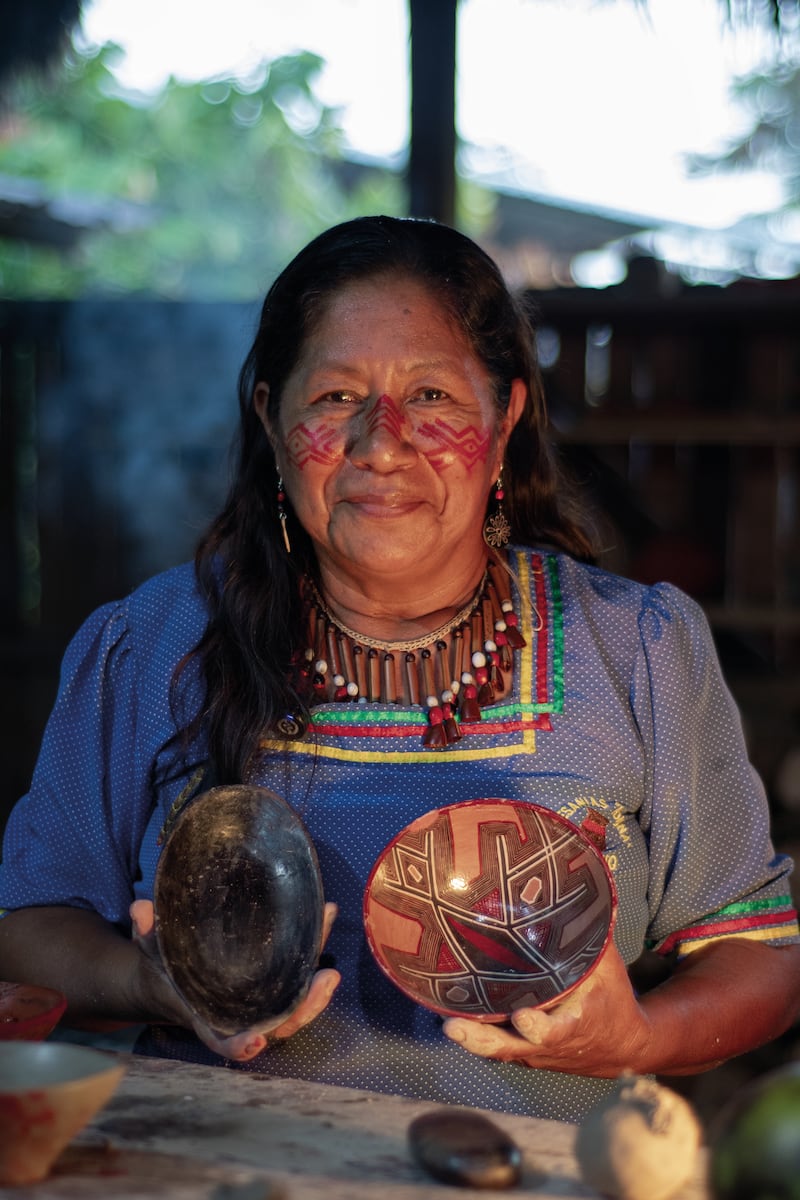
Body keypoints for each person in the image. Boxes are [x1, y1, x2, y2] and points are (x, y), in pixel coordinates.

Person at [0, 214, 798, 1123]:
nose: (382, 443)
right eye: (337, 396)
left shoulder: (640, 649)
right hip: (221, 1174)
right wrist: (154, 985)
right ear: (271, 415)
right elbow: (28, 927)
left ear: (505, 418)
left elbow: (760, 956)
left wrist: (638, 1041)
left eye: (432, 397)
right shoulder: (153, 644)